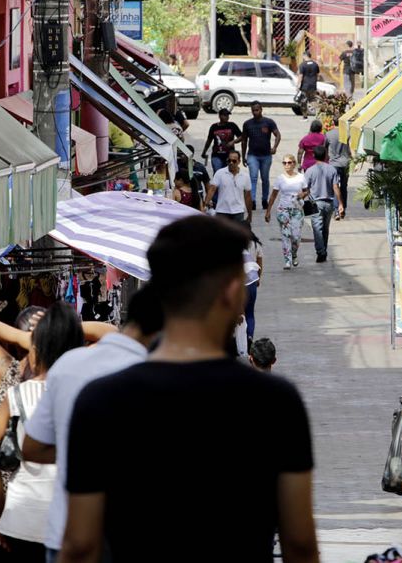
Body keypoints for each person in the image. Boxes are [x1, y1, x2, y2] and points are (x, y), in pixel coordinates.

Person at [59, 216, 318, 563]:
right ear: (231, 292)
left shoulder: (99, 401)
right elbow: (299, 542)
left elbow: (79, 544)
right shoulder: (275, 403)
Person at [0, 309, 114, 561]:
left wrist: (55, 331)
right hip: (12, 511)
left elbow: (114, 336)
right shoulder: (9, 371)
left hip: (35, 512)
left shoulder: (60, 375)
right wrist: (30, 336)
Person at [22, 288, 164, 563]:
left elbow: (31, 448)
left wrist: (74, 451)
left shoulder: (68, 365)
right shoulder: (155, 375)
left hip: (66, 531)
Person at [0, 304, 86, 559]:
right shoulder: (86, 392)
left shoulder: (16, 394)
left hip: (22, 517)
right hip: (71, 519)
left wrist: (2, 515)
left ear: (35, 347)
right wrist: (66, 328)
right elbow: (112, 333)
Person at [265, 153, 308, 270]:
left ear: (294, 164)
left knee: (296, 236)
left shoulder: (300, 177)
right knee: (285, 235)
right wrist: (268, 211)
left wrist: (302, 194)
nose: (287, 165)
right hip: (283, 209)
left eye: (289, 162)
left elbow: (306, 191)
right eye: (284, 163)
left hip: (297, 210)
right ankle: (287, 260)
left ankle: (294, 254)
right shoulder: (280, 178)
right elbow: (273, 195)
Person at [303, 145, 344, 263]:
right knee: (325, 229)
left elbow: (305, 189)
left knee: (317, 229)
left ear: (314, 156)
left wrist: (299, 199)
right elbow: (336, 187)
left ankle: (321, 252)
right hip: (329, 203)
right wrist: (340, 203)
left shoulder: (310, 171)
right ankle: (323, 250)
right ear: (326, 156)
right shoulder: (332, 169)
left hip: (316, 204)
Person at [241, 101, 281, 210]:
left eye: (257, 110)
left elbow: (277, 135)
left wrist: (274, 147)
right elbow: (244, 141)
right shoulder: (247, 124)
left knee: (265, 178)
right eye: (253, 110)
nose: (255, 112)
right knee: (253, 178)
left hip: (266, 156)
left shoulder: (268, 122)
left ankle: (264, 200)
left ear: (261, 109)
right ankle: (252, 200)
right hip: (252, 155)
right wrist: (243, 156)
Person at [204, 151, 252, 224]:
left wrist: (250, 214)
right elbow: (212, 189)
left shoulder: (245, 176)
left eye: (234, 161)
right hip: (222, 211)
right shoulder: (220, 173)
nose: (231, 163)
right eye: (229, 160)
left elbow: (247, 196)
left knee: (237, 234)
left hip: (238, 212)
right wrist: (206, 204)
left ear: (239, 161)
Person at [325, 116, 352, 216]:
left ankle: (337, 209)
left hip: (333, 164)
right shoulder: (347, 134)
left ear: (332, 122)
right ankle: (343, 207)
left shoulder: (328, 134)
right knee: (344, 186)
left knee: (335, 186)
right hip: (345, 163)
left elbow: (324, 148)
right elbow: (350, 149)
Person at [202, 108, 243, 174]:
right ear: (220, 116)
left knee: (229, 173)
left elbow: (241, 137)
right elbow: (209, 140)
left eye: (227, 115)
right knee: (218, 172)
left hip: (229, 156)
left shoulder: (232, 125)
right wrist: (204, 152)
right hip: (217, 154)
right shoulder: (214, 127)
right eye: (224, 115)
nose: (226, 117)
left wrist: (233, 141)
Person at [244, 231, 264, 342]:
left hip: (240, 283)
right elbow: (260, 264)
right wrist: (258, 279)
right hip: (252, 280)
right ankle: (249, 336)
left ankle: (241, 340)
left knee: (239, 314)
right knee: (250, 313)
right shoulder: (256, 245)